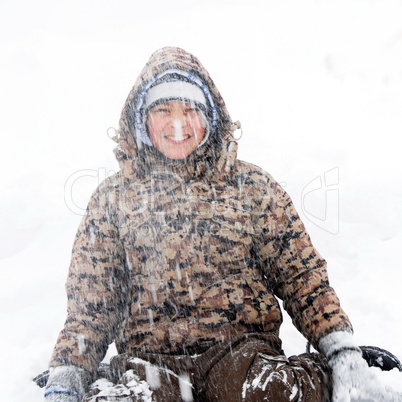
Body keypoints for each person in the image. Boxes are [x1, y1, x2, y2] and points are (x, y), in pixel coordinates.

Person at [44, 47, 401, 402]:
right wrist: (68, 372)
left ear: (211, 116)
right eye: (163, 109)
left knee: (257, 393)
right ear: (141, 118)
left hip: (242, 354)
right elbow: (91, 307)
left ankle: (323, 376)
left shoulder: (252, 187)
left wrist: (340, 350)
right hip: (149, 361)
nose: (178, 123)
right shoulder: (111, 200)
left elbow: (302, 278)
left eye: (190, 109)